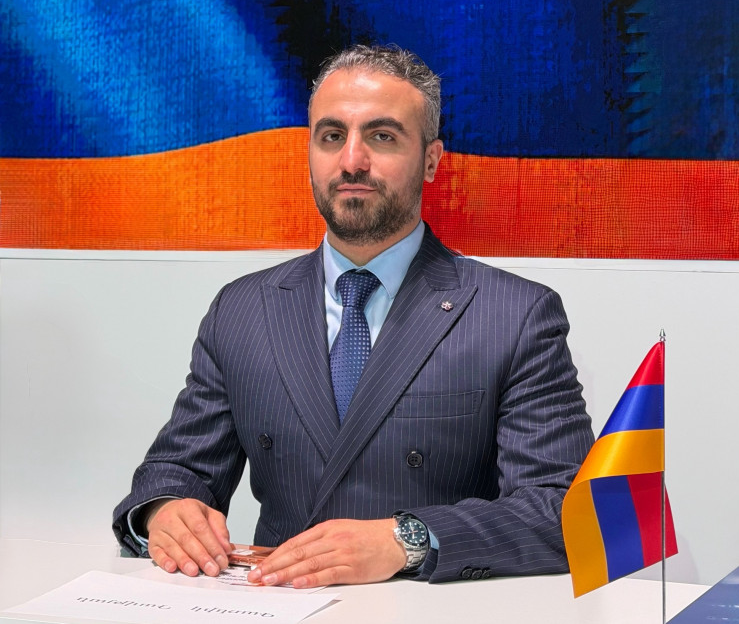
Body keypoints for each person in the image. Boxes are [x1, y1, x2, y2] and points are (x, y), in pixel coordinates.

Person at [113, 44, 594, 587]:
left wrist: (406, 540)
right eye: (331, 136)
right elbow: (178, 469)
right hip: (278, 605)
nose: (351, 161)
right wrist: (166, 509)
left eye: (382, 137)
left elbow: (565, 509)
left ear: (432, 160)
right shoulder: (242, 309)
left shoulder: (515, 314)